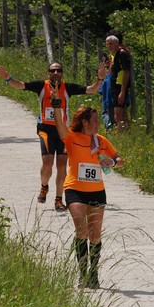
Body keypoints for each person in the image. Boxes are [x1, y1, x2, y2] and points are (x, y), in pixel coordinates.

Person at [0, 62, 106, 212]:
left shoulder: (67, 88)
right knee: (48, 163)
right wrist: (8, 79)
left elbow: (91, 89)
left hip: (63, 132)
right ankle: (44, 186)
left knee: (62, 166)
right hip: (46, 130)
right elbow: (21, 85)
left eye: (58, 70)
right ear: (48, 72)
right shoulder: (42, 86)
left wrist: (99, 79)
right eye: (53, 70)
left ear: (62, 73)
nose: (56, 73)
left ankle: (59, 199)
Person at [50, 86, 125, 288]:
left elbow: (119, 159)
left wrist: (113, 163)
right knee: (82, 231)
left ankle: (94, 274)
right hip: (75, 190)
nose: (99, 123)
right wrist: (56, 103)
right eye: (95, 120)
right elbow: (59, 123)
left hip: (97, 192)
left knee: (95, 235)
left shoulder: (101, 141)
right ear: (85, 122)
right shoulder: (72, 138)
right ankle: (83, 275)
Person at [105, 32, 132, 131]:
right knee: (122, 114)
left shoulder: (121, 54)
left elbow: (126, 72)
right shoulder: (114, 55)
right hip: (115, 86)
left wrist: (122, 91)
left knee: (118, 116)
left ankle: (122, 135)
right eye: (107, 44)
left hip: (119, 86)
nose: (109, 46)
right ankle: (127, 134)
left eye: (111, 44)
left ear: (117, 43)